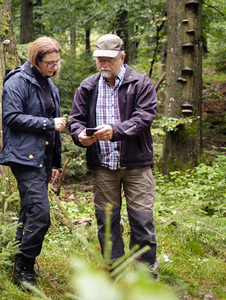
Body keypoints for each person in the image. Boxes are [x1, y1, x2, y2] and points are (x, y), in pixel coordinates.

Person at [68, 34, 159, 275]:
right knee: (107, 222)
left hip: (137, 164)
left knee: (142, 220)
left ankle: (145, 275)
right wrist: (80, 136)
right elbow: (75, 121)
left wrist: (115, 131)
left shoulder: (140, 83)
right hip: (103, 165)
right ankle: (116, 271)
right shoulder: (87, 86)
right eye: (100, 60)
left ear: (122, 57)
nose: (104, 65)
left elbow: (145, 117)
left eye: (109, 60)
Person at [0, 36, 66, 287]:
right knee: (40, 214)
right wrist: (48, 123)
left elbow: (55, 133)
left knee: (29, 212)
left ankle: (16, 261)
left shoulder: (51, 87)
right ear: (36, 60)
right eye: (49, 63)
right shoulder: (17, 81)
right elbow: (11, 117)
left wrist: (56, 164)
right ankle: (25, 268)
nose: (54, 67)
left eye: (57, 62)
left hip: (44, 159)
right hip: (24, 159)